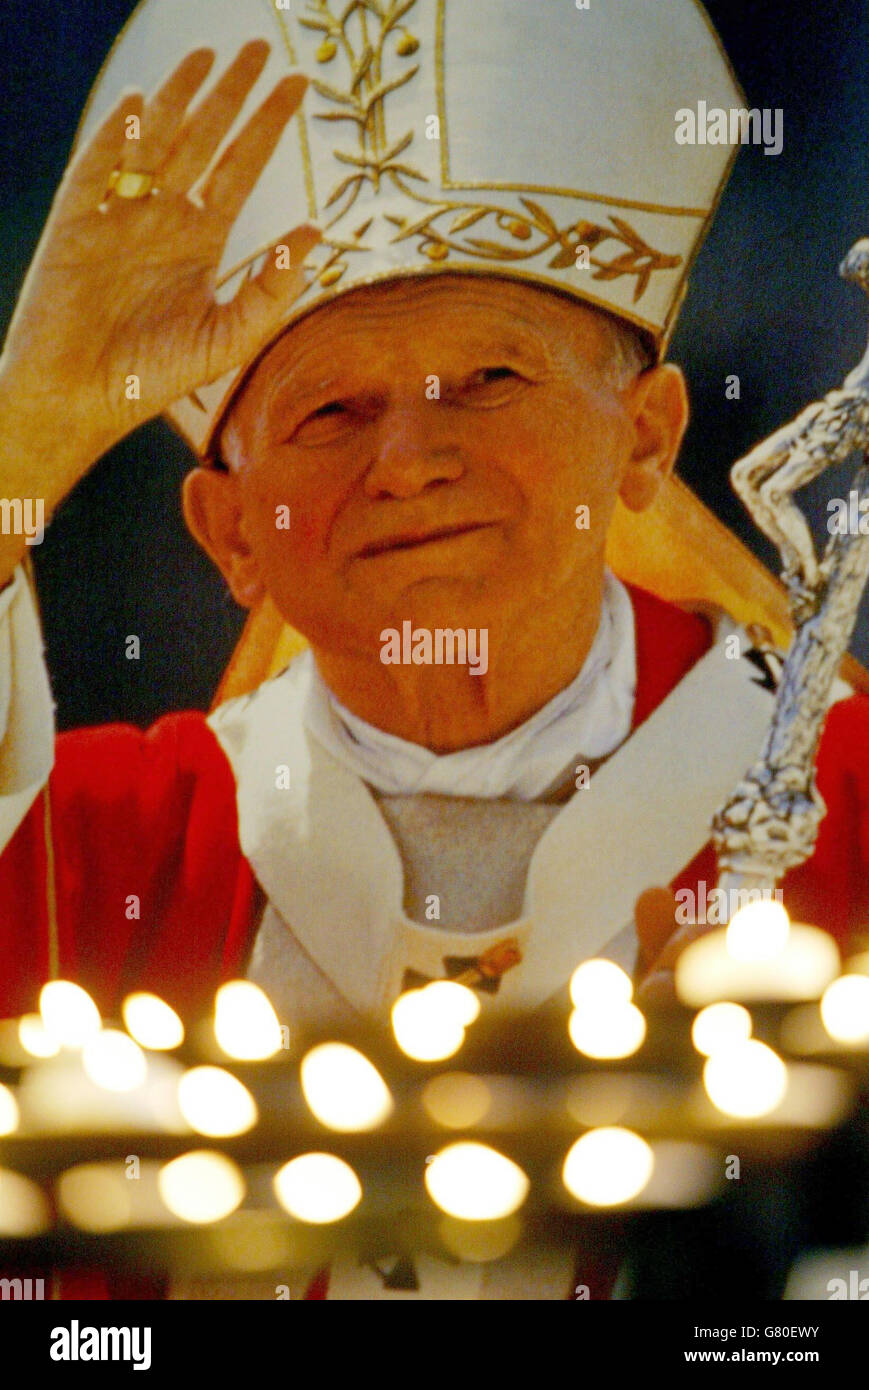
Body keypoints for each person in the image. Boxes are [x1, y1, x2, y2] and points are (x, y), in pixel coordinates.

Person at [0, 0, 867, 1300]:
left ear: (644, 438)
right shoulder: (104, 845)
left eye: (492, 380)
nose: (409, 461)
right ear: (228, 527)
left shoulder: (843, 804)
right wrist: (18, 438)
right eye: (331, 409)